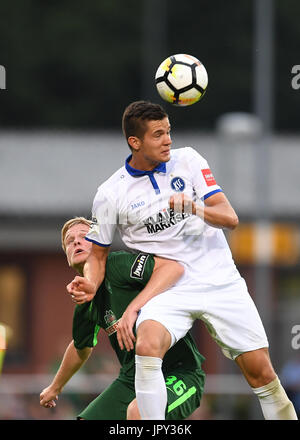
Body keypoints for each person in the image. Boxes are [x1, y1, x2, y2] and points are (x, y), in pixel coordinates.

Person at [67, 101, 297, 420]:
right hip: (170, 287)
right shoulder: (110, 193)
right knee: (147, 344)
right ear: (135, 142)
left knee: (262, 374)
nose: (168, 140)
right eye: (158, 134)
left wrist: (194, 208)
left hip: (219, 280)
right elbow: (99, 253)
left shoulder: (188, 161)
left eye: (169, 131)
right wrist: (90, 282)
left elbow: (229, 218)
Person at [40, 217, 206, 420]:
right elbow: (81, 346)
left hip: (179, 372)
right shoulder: (84, 300)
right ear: (66, 255)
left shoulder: (117, 265)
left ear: (100, 245)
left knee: (138, 413)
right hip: (132, 379)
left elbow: (173, 269)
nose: (76, 242)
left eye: (84, 237)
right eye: (69, 240)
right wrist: (55, 387)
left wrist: (133, 308)